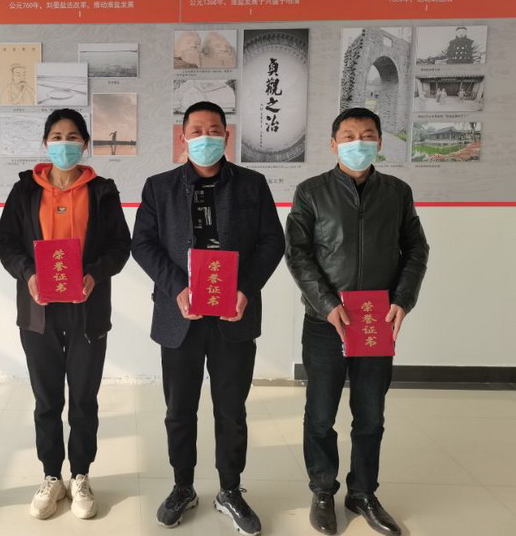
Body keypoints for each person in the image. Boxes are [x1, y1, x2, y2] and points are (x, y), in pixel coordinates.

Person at [132, 101, 284, 534]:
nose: (205, 137)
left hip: (233, 315)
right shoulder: (159, 187)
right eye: (196, 130)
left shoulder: (252, 185)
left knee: (231, 409)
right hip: (179, 316)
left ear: (226, 136)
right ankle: (183, 486)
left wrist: (245, 288)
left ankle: (230, 490)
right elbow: (142, 244)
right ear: (183, 138)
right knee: (179, 410)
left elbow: (272, 242)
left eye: (214, 129)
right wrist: (177, 288)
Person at [284, 107, 428, 536]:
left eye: (367, 135)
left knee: (370, 416)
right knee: (320, 415)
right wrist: (327, 303)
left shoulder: (397, 193)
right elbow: (297, 253)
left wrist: (402, 299)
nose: (358, 142)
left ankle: (363, 493)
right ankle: (322, 491)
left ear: (380, 142)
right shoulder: (311, 192)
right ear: (333, 144)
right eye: (348, 136)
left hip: (374, 321)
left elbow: (416, 249)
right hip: (325, 321)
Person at [0, 109, 131, 521]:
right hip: (38, 312)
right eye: (56, 136)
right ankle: (51, 475)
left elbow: (120, 246)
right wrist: (28, 273)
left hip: (87, 310)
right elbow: (6, 243)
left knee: (84, 399)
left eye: (73, 137)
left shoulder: (102, 191)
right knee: (46, 398)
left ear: (85, 144)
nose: (64, 143)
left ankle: (81, 475)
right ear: (45, 143)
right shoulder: (24, 191)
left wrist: (94, 274)